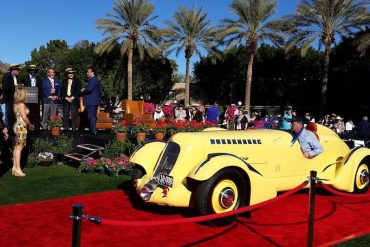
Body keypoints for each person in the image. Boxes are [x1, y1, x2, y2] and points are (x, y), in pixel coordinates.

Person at [12, 87, 34, 176]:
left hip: (17, 126)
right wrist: (30, 125)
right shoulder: (21, 104)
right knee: (19, 148)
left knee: (17, 147)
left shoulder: (15, 103)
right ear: (22, 94)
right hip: (21, 127)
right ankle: (18, 169)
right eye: (26, 93)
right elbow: (24, 117)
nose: (27, 95)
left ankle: (14, 168)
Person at [20, 64, 43, 132]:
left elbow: (41, 89)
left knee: (36, 115)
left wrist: (41, 99)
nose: (33, 71)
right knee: (28, 114)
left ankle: (36, 129)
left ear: (36, 71)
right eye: (31, 70)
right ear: (29, 71)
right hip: (27, 100)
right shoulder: (23, 78)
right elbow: (21, 89)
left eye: (34, 70)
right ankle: (28, 129)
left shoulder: (39, 79)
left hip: (37, 100)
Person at [82, 67, 101, 135]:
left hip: (91, 101)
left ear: (92, 72)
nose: (87, 73)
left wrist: (83, 90)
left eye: (88, 72)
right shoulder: (94, 80)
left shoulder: (92, 80)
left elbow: (89, 90)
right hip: (93, 101)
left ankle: (93, 131)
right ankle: (92, 129)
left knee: (91, 116)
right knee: (92, 116)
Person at [2, 63, 21, 129]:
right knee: (8, 113)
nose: (19, 71)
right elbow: (5, 87)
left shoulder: (17, 77)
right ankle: (8, 128)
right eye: (18, 70)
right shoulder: (7, 76)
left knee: (13, 113)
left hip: (15, 98)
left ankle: (13, 127)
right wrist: (14, 86)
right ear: (13, 70)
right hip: (9, 99)